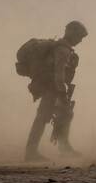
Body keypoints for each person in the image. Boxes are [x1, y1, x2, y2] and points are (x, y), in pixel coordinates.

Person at [24, 21, 88, 161]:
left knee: (64, 115)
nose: (80, 40)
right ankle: (31, 152)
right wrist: (62, 93)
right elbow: (59, 74)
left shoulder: (60, 47)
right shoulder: (63, 50)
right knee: (43, 118)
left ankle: (63, 147)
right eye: (79, 36)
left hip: (52, 87)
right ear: (72, 33)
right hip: (52, 88)